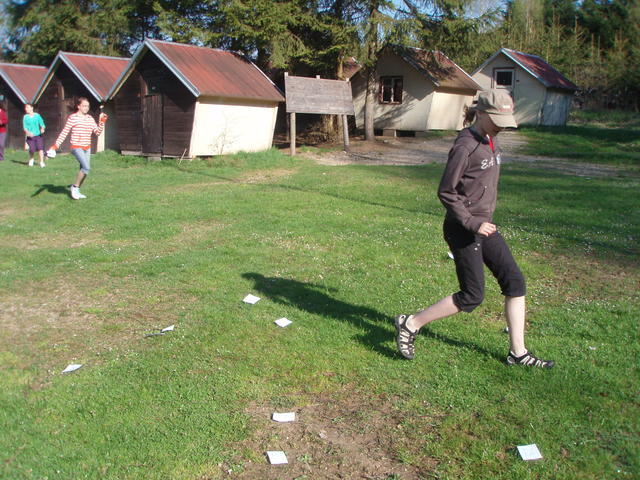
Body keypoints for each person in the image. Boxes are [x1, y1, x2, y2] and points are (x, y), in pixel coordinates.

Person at [394, 89, 554, 368]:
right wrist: (471, 222)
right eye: (496, 120)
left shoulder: (491, 139)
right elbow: (446, 191)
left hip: (485, 226)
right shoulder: (465, 146)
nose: (501, 127)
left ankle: (518, 353)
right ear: (479, 113)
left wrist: (482, 220)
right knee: (472, 295)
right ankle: (410, 323)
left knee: (514, 282)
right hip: (464, 228)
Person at [50, 97, 107, 199]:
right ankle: (75, 187)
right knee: (86, 168)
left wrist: (102, 121)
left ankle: (77, 190)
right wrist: (55, 146)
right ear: (78, 106)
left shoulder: (90, 118)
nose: (86, 108)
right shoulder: (73, 117)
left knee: (85, 170)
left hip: (87, 147)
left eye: (87, 106)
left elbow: (97, 132)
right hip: (76, 146)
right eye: (84, 106)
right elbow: (64, 132)